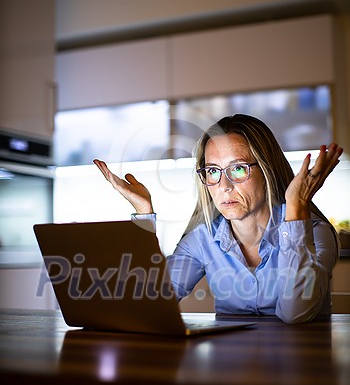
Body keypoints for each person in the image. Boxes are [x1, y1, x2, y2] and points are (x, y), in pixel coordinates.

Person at [94, 114, 343, 324]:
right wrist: (143, 212)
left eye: (238, 168)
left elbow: (295, 313)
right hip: (227, 372)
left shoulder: (314, 232)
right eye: (213, 171)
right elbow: (149, 304)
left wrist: (296, 206)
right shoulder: (202, 240)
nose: (224, 186)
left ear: (267, 170)